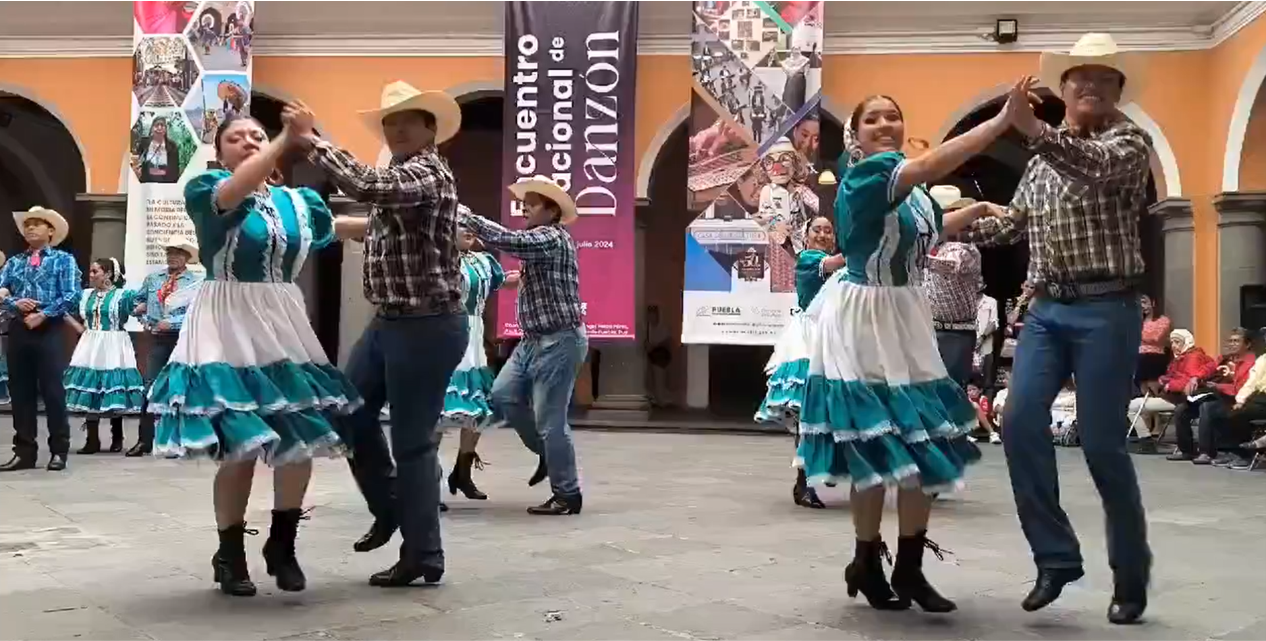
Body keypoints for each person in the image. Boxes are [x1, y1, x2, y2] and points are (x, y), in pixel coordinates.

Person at [797, 78, 1035, 613]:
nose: (885, 124)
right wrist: (999, 124)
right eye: (873, 118)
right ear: (855, 136)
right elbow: (927, 169)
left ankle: (909, 569)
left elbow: (925, 233)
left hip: (906, 313)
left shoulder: (912, 193)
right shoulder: (866, 178)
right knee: (875, 449)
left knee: (920, 445)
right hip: (864, 315)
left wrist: (973, 213)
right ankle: (866, 557)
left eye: (892, 116)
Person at [956, 34, 1155, 623]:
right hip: (1046, 310)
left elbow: (1091, 169)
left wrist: (1031, 130)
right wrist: (946, 227)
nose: (1091, 84)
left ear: (1119, 90)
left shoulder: (1129, 142)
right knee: (1017, 424)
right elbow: (1014, 224)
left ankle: (1130, 574)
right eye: (1079, 76)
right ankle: (1056, 557)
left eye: (1105, 77)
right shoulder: (1042, 159)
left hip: (1107, 309)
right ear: (1062, 88)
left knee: (1101, 447)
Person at [149, 113, 361, 598]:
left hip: (282, 315)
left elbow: (337, 228)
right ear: (220, 153)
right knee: (241, 443)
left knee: (300, 436)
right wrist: (286, 139)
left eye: (257, 136)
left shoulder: (298, 202)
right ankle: (230, 552)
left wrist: (414, 224)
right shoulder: (208, 188)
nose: (247, 142)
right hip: (228, 314)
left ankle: (282, 543)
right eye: (235, 138)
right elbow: (235, 193)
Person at [292, 83, 468, 587]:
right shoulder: (402, 175)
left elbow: (369, 187)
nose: (397, 130)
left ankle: (423, 554)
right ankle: (393, 509)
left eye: (408, 122)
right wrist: (338, 223)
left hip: (427, 324)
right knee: (347, 412)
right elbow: (380, 219)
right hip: (390, 320)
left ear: (431, 130)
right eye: (390, 123)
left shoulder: (427, 171)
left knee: (412, 442)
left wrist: (314, 140)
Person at [461, 176, 588, 516]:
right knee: (502, 396)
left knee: (551, 421)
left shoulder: (549, 237)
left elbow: (508, 240)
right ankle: (550, 454)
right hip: (533, 341)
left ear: (551, 210)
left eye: (531, 203)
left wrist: (467, 217)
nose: (525, 207)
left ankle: (567, 494)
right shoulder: (542, 243)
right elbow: (521, 273)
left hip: (559, 340)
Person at [382, 217, 520, 503]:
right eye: (460, 225)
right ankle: (425, 481)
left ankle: (463, 470)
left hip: (474, 341)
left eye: (471, 225)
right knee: (439, 411)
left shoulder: (483, 261)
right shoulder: (434, 261)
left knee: (476, 410)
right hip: (444, 336)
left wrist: (531, 271)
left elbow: (502, 283)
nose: (468, 230)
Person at [755, 215, 843, 509]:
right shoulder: (808, 259)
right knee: (809, 416)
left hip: (837, 338)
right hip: (810, 341)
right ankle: (803, 482)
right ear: (807, 237)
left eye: (827, 230)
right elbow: (833, 265)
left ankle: (826, 467)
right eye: (817, 229)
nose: (822, 234)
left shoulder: (838, 265)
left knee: (836, 413)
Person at [0, 207, 80, 473]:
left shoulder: (63, 260)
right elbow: (1, 291)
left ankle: (59, 449)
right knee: (20, 390)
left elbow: (71, 296)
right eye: (27, 225)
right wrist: (14, 302)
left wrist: (43, 314)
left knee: (53, 390)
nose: (30, 229)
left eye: (37, 224)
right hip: (20, 326)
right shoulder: (14, 262)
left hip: (50, 327)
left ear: (50, 231)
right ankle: (24, 451)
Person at [129, 236, 204, 457]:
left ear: (187, 258)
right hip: (158, 340)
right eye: (170, 252)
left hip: (184, 339)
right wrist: (145, 321)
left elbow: (197, 312)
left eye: (178, 253)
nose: (173, 257)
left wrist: (170, 323)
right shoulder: (154, 279)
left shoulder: (195, 282)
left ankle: (184, 440)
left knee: (183, 388)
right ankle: (144, 440)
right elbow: (136, 302)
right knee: (150, 386)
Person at [64, 258, 146, 454]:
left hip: (114, 342)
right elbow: (69, 314)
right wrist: (77, 327)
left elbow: (138, 310)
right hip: (90, 342)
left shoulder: (122, 295)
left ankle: (117, 436)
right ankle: (92, 439)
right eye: (91, 272)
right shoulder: (85, 296)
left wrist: (142, 310)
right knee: (91, 386)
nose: (91, 275)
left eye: (95, 271)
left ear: (108, 274)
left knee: (111, 385)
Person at [925, 185, 985, 387]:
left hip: (955, 334)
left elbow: (951, 265)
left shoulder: (966, 249)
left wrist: (913, 256)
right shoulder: (936, 247)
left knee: (948, 392)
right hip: (932, 331)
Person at [1168, 327, 1256, 463]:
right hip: (1215, 394)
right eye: (1230, 341)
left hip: (1233, 400)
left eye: (1236, 341)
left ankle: (1206, 452)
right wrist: (1196, 377)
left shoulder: (1250, 363)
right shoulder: (1224, 358)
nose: (1232, 344)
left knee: (1207, 407)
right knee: (1182, 409)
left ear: (1247, 344)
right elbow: (1208, 367)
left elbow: (1241, 389)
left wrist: (1218, 386)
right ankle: (1186, 451)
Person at [1126, 329, 1214, 453]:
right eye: (1172, 342)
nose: (1174, 346)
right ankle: (1146, 439)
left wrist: (1169, 385)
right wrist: (1163, 380)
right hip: (1173, 397)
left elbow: (1186, 382)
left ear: (1187, 342)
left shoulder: (1192, 358)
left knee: (1132, 407)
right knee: (1134, 405)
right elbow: (1172, 375)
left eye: (1178, 342)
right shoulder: (1181, 357)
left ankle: (1146, 440)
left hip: (1179, 399)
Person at [132, 116, 182, 184]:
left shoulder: (172, 146)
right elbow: (137, 161)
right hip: (146, 185)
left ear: (166, 129)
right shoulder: (144, 143)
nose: (159, 128)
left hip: (165, 185)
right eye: (156, 125)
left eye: (162, 125)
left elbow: (174, 171)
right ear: (152, 128)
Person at [1135, 294, 1171, 388]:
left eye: (1144, 302)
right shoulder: (1136, 322)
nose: (1142, 306)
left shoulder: (1163, 320)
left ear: (1153, 303)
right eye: (1139, 303)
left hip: (1155, 357)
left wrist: (1137, 334)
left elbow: (1155, 337)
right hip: (1138, 358)